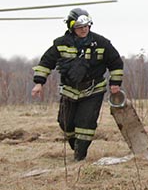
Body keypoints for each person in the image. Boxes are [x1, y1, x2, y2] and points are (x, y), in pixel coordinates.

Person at [31, 8, 125, 162]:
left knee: (85, 123)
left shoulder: (101, 43)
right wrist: (39, 83)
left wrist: (115, 83)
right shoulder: (61, 44)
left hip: (93, 90)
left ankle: (79, 157)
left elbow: (116, 63)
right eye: (80, 27)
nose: (84, 30)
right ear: (71, 27)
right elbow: (46, 62)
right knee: (65, 122)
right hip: (69, 90)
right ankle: (77, 146)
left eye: (87, 26)